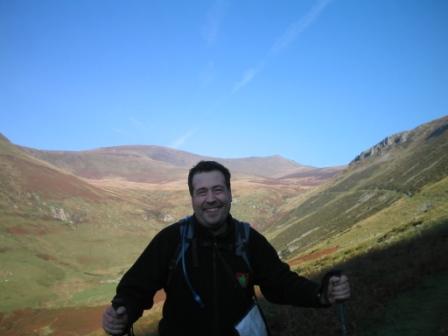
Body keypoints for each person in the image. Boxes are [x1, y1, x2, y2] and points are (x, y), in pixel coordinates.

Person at [102, 160, 351, 336]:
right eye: (202, 192)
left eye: (218, 189)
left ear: (230, 194)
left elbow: (281, 283)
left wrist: (320, 294)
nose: (210, 198)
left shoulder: (249, 239)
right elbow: (136, 288)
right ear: (193, 199)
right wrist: (123, 312)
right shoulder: (171, 240)